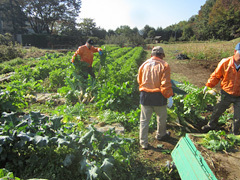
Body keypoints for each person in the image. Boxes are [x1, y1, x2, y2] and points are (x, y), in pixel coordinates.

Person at [137, 46, 174, 150]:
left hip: (145, 95)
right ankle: (160, 135)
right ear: (162, 55)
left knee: (144, 120)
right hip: (158, 96)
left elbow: (139, 80)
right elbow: (165, 84)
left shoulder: (143, 65)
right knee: (161, 117)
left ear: (152, 55)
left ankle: (143, 142)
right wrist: (169, 96)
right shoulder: (164, 65)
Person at [202, 42, 240, 135]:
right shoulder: (225, 62)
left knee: (238, 117)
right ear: (235, 52)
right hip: (226, 93)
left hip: (239, 95)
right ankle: (211, 125)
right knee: (217, 110)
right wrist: (208, 85)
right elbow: (216, 76)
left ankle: (233, 134)